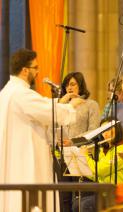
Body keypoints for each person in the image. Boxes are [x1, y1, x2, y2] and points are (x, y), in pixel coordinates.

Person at [0, 48, 81, 212]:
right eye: (35, 68)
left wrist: (60, 101)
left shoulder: (7, 92)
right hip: (26, 161)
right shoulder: (21, 94)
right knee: (33, 201)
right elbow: (50, 113)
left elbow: (41, 105)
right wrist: (71, 106)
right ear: (25, 70)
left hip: (14, 160)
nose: (37, 72)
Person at [57, 71, 100, 211]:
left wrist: (73, 142)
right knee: (64, 198)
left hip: (82, 154)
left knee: (82, 197)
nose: (69, 88)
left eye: (73, 84)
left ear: (80, 85)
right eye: (66, 85)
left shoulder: (91, 104)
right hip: (62, 155)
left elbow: (94, 131)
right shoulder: (61, 107)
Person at [75, 118, 123, 211]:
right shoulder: (104, 150)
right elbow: (97, 176)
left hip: (122, 193)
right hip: (106, 193)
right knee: (76, 204)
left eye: (108, 130)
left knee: (86, 205)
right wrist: (84, 169)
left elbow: (99, 170)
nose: (105, 134)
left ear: (117, 129)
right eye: (103, 131)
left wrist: (85, 156)